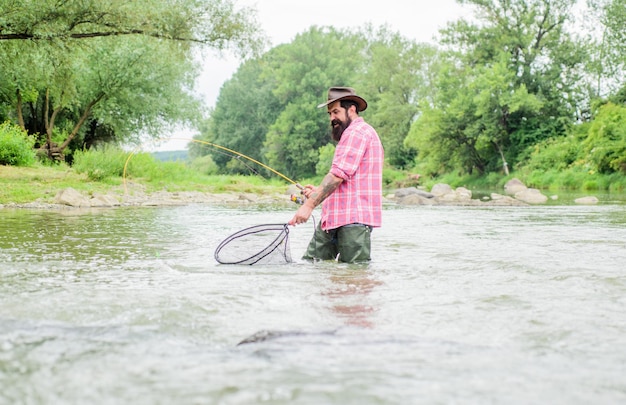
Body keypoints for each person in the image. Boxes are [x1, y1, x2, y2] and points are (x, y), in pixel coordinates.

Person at [289, 87, 384, 263]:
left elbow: (337, 175)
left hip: (354, 222)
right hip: (333, 218)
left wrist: (308, 205)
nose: (332, 118)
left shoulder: (357, 132)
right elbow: (347, 180)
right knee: (312, 265)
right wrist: (318, 191)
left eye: (336, 112)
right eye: (329, 113)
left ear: (352, 109)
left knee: (355, 277)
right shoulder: (352, 134)